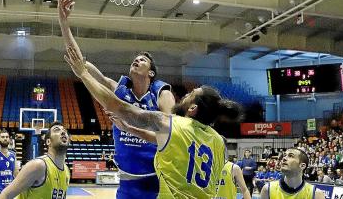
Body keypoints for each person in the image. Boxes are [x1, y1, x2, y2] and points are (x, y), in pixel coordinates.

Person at [65, 45, 243, 198]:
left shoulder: (171, 124)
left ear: (192, 109)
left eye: (189, 95)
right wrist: (129, 129)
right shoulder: (219, 141)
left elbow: (118, 107)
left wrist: (83, 74)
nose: (184, 96)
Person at [58, 0, 176, 199]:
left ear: (151, 73)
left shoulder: (162, 94)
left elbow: (172, 136)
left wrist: (130, 128)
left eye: (142, 60)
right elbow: (80, 63)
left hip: (158, 180)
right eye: (135, 59)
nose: (136, 60)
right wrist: (64, 22)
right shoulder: (118, 89)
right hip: (127, 182)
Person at [0, 122, 70, 199]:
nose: (63, 132)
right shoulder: (38, 166)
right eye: (57, 130)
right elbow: (5, 195)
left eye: (64, 130)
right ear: (48, 142)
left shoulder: (66, 171)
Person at [260, 148, 325, 199]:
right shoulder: (267, 189)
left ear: (302, 166)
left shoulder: (316, 194)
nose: (284, 158)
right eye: (284, 155)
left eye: (291, 156)